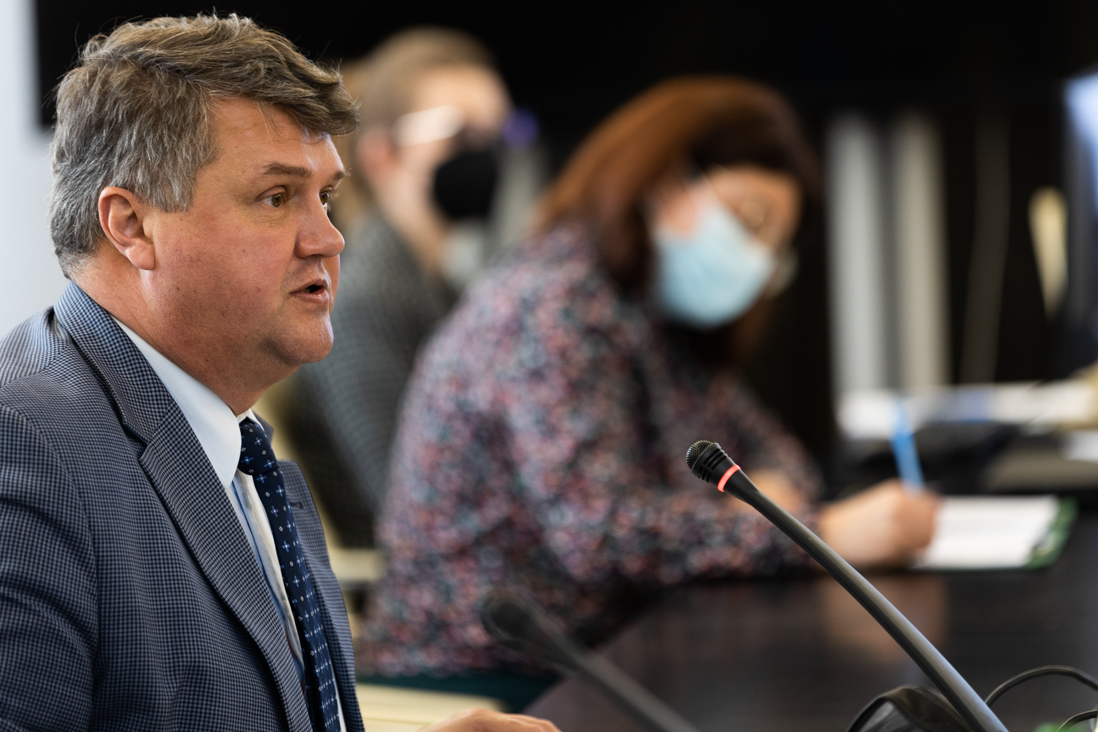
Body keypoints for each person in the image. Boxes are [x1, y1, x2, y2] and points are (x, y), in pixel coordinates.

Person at [0, 15, 557, 732]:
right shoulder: (24, 449)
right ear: (131, 226)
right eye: (277, 198)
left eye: (324, 197)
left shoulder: (238, 437)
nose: (329, 238)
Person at [362, 77, 940, 689]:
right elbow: (599, 535)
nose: (758, 258)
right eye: (750, 219)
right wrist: (822, 535)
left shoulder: (657, 311)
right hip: (479, 676)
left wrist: (756, 510)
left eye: (777, 246)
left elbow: (775, 458)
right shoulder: (552, 307)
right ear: (665, 179)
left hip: (606, 653)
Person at [287, 29, 513, 546]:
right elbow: (408, 501)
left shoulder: (441, 283)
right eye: (461, 135)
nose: (487, 155)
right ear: (383, 156)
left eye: (497, 134)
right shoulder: (365, 298)